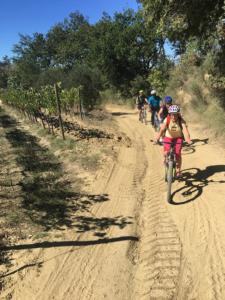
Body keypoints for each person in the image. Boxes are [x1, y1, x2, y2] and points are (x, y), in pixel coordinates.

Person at [155, 104, 191, 177]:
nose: (173, 116)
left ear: (178, 114)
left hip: (178, 138)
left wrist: (188, 139)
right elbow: (162, 129)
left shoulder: (181, 121)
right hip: (168, 137)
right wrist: (157, 138)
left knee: (178, 154)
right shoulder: (167, 119)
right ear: (169, 114)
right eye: (172, 115)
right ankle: (165, 159)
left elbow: (185, 130)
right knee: (165, 153)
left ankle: (178, 170)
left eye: (175, 115)